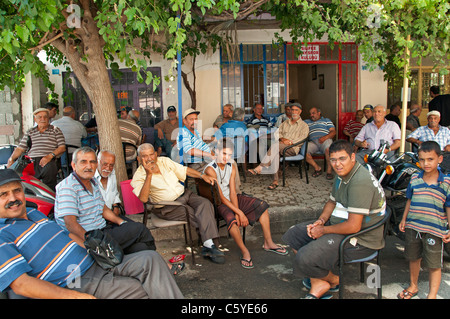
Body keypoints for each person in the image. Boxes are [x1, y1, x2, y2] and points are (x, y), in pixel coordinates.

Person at [0, 169, 183, 299]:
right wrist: (73, 296)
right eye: (3, 195)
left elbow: (67, 236)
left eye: (16, 191)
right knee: (147, 289)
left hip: (96, 261)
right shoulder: (2, 234)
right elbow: (20, 284)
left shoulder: (34, 213)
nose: (13, 198)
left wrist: (94, 250)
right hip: (75, 280)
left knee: (150, 258)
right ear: (74, 166)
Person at [282, 140, 386, 299]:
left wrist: (322, 230)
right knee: (294, 235)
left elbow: (353, 227)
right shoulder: (342, 174)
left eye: (342, 159)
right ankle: (321, 281)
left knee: (304, 257)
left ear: (352, 157)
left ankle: (334, 280)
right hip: (340, 227)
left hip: (360, 239)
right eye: (333, 160)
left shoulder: (360, 182)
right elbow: (332, 201)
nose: (337, 164)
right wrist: (321, 221)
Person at [130, 143, 226, 264]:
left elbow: (184, 170)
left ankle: (209, 245)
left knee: (205, 204)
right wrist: (149, 175)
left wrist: (202, 175)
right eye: (144, 156)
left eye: (151, 155)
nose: (149, 159)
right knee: (192, 213)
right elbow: (143, 199)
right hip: (168, 207)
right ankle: (211, 245)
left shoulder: (164, 161)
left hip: (185, 195)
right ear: (139, 158)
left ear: (155, 154)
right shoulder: (138, 176)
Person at [54, 147, 156, 255]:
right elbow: (70, 223)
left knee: (140, 247)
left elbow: (103, 208)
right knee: (140, 229)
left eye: (92, 162)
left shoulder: (92, 182)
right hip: (92, 236)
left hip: (103, 228)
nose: (89, 166)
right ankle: (164, 265)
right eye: (83, 162)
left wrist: (122, 223)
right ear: (74, 165)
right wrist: (93, 243)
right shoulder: (68, 187)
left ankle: (151, 261)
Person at [204, 138, 287, 269]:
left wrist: (238, 211)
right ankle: (244, 250)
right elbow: (221, 197)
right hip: (219, 202)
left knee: (262, 206)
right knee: (231, 219)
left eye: (230, 155)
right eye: (224, 154)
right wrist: (239, 213)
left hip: (231, 199)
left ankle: (268, 242)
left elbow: (232, 192)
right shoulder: (211, 169)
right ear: (216, 152)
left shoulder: (231, 166)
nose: (227, 158)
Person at [398, 141, 450, 299]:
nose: (425, 163)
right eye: (422, 159)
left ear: (439, 159)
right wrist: (404, 219)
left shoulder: (446, 182)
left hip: (435, 229)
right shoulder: (414, 178)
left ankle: (432, 294)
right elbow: (409, 199)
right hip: (413, 226)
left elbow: (448, 206)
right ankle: (413, 286)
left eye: (430, 159)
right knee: (413, 258)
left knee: (434, 264)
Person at [248, 103, 309, 190]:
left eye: (296, 110)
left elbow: (302, 139)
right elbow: (277, 133)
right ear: (290, 111)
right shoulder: (285, 123)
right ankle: (275, 181)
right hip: (281, 147)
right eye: (292, 110)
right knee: (275, 153)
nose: (294, 112)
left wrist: (289, 142)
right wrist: (282, 138)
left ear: (300, 111)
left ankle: (261, 167)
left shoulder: (304, 126)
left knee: (275, 146)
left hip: (293, 149)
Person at [6, 108, 66, 191]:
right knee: (20, 176)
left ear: (49, 118)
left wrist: (49, 156)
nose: (43, 119)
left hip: (48, 160)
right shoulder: (30, 131)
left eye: (45, 117)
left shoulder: (55, 130)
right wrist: (11, 159)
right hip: (31, 161)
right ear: (35, 119)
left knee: (49, 173)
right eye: (39, 117)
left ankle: (50, 198)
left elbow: (62, 147)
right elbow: (21, 148)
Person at [304, 107, 336, 180]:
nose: (311, 115)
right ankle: (317, 168)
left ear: (319, 113)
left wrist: (325, 138)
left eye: (313, 113)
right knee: (304, 151)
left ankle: (329, 171)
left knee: (328, 149)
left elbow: (333, 132)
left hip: (325, 140)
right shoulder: (307, 122)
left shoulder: (326, 120)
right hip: (313, 142)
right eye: (310, 114)